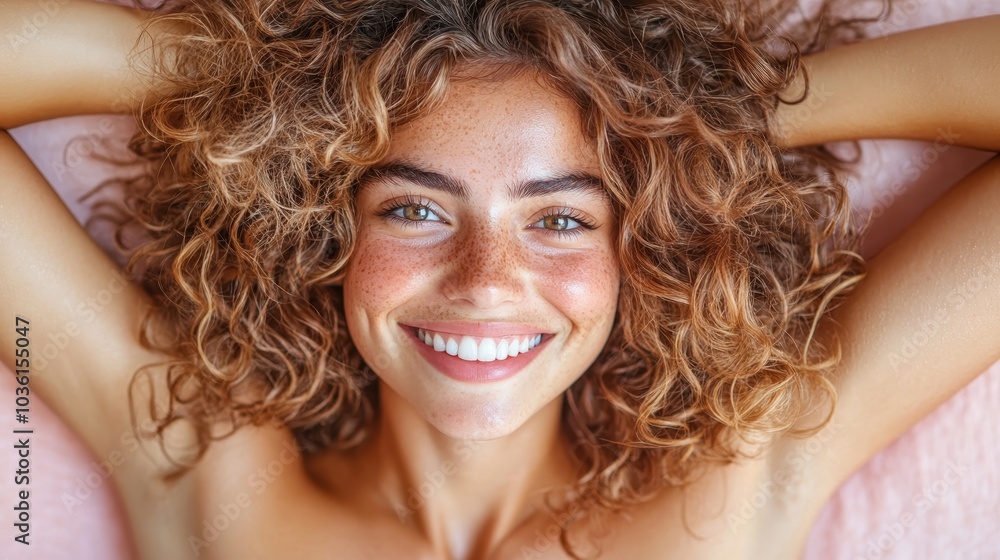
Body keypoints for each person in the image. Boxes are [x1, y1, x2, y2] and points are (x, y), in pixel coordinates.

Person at [1, 0, 997, 558]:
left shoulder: (735, 489)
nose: (485, 280)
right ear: (327, 234)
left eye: (560, 217)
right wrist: (275, 86)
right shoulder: (211, 477)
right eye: (417, 208)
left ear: (638, 251)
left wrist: (709, 122)